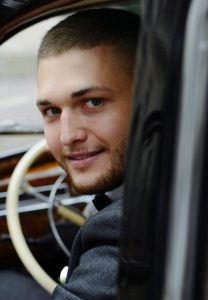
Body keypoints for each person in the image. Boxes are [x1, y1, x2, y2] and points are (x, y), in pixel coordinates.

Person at [0, 8, 139, 300]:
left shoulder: (125, 235)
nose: (66, 136)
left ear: (151, 100)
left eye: (93, 102)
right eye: (51, 111)